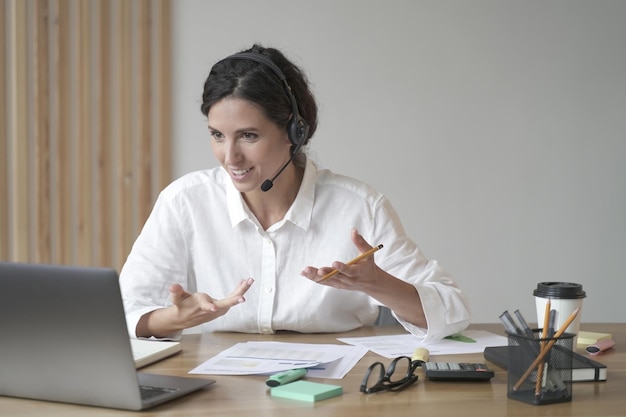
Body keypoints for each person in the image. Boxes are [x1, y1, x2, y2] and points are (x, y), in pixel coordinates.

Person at [119, 44, 471, 342]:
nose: (230, 157)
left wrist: (381, 284)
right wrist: (174, 319)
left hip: (338, 390)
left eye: (248, 136)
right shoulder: (184, 202)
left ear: (295, 131)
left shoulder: (359, 206)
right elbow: (124, 311)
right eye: (217, 135)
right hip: (218, 390)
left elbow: (452, 309)